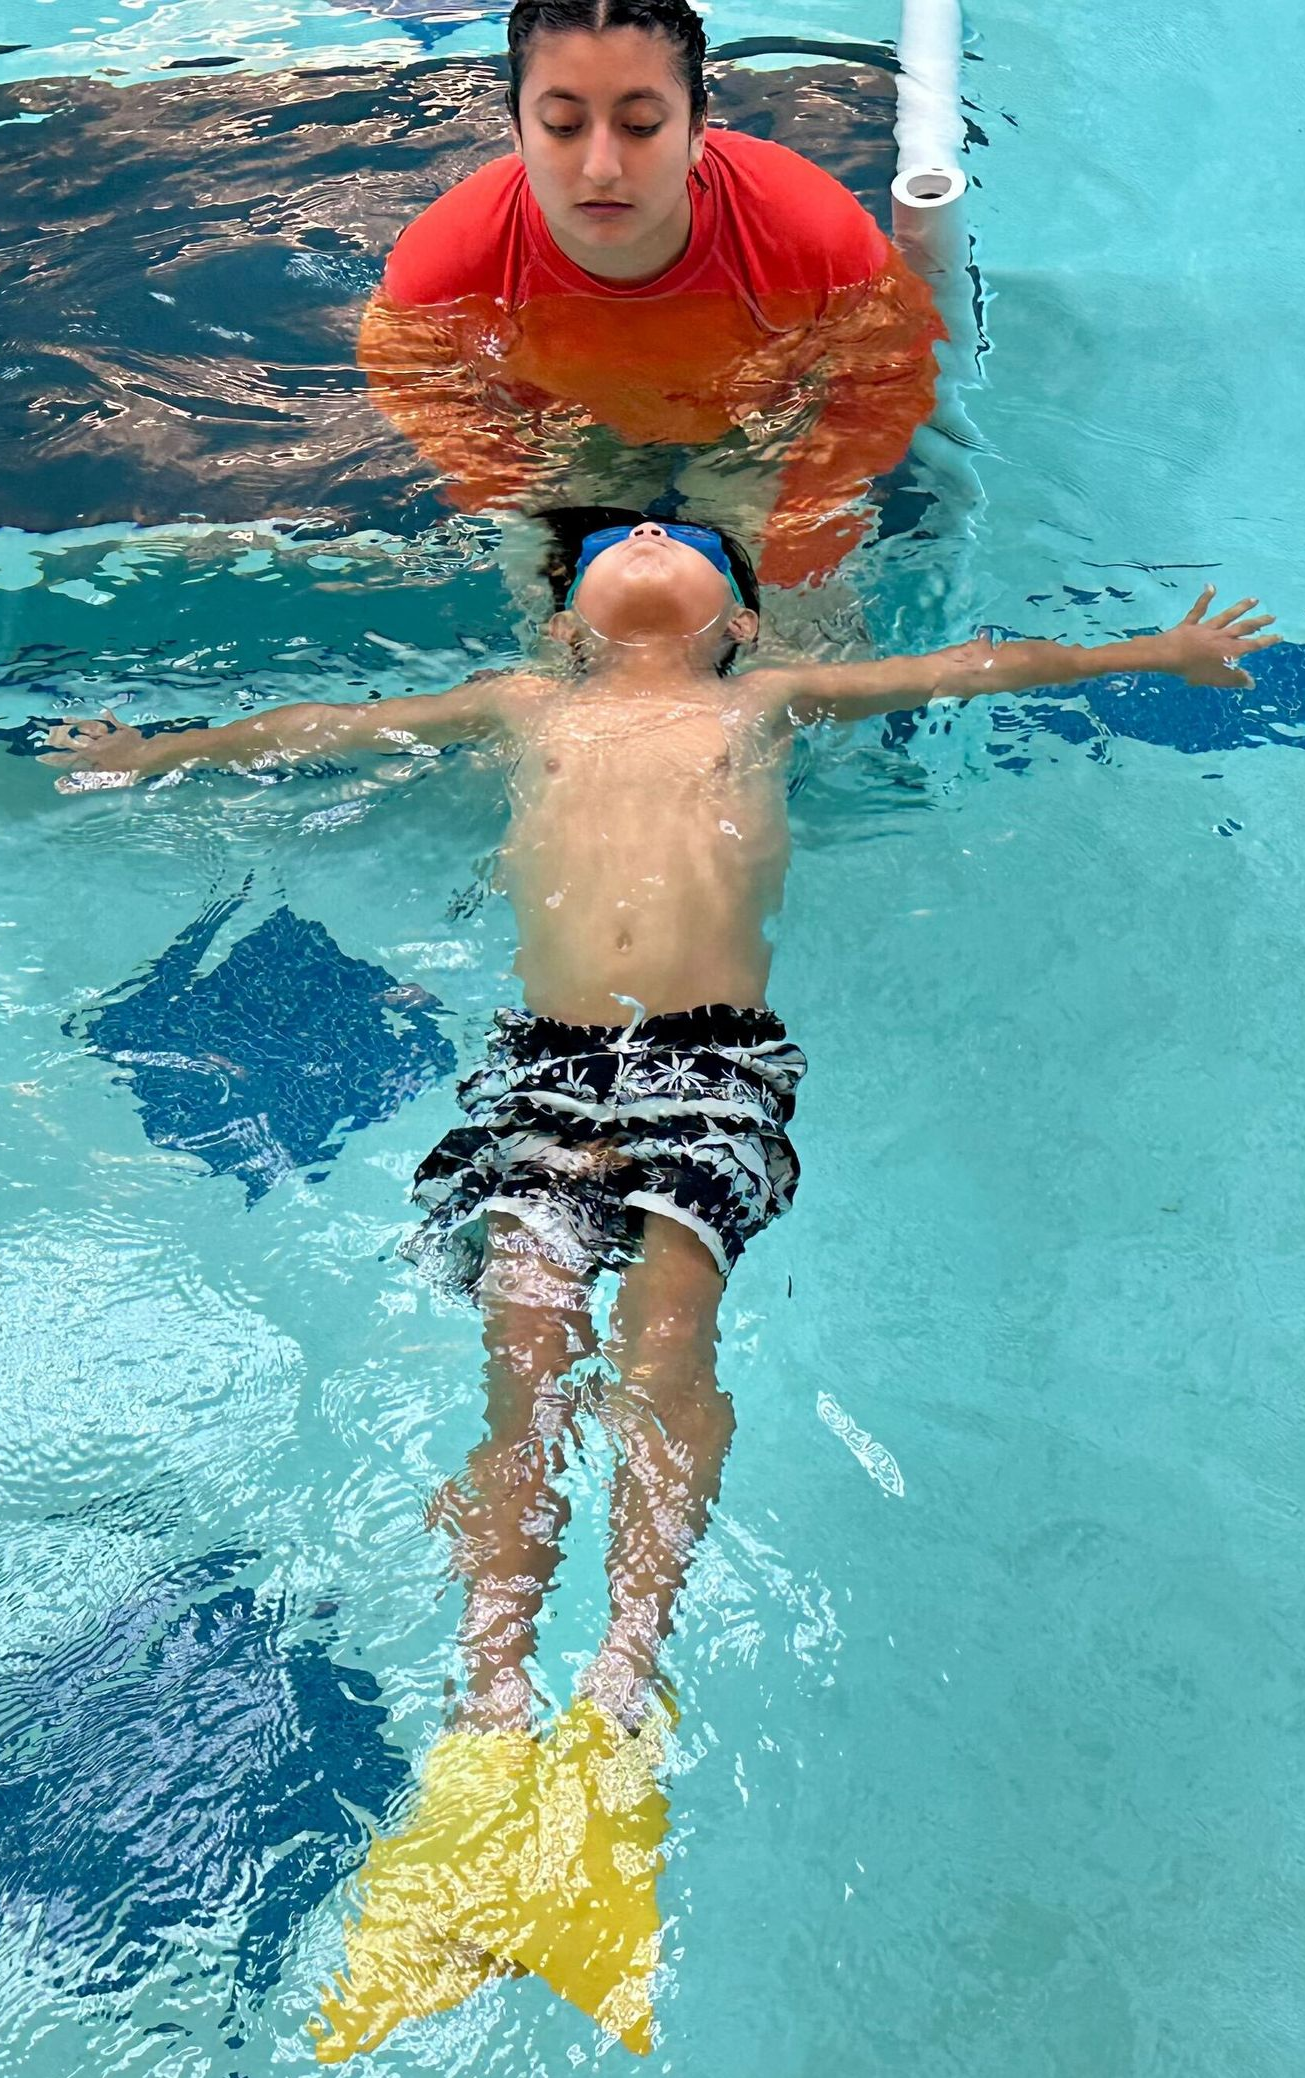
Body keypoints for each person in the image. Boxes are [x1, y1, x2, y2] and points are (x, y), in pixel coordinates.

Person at [43, 530, 1277, 2056]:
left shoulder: (765, 700)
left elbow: (969, 667)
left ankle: (620, 1684)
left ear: (738, 620)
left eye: (680, 541)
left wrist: (1146, 656)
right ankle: (491, 1714)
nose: (641, 534)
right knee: (525, 1360)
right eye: (619, 536)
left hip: (707, 1058)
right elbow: (331, 731)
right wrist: (159, 752)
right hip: (541, 1071)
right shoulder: (521, 705)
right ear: (566, 623)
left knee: (666, 1329)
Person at [358, 0, 944, 588]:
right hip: (569, 438)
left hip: (763, 428)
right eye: (562, 125)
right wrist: (523, 492)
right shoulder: (449, 262)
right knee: (575, 626)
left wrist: (799, 530)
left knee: (783, 619)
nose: (602, 167)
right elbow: (410, 375)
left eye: (640, 125)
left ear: (696, 130)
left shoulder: (808, 235)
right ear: (515, 131)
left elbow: (888, 376)